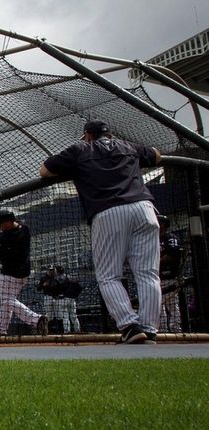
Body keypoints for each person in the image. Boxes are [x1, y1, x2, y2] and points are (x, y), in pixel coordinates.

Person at [40, 120, 161, 344]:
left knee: (108, 275)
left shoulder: (80, 149)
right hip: (144, 208)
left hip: (108, 211)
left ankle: (130, 326)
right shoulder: (127, 146)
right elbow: (156, 155)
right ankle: (149, 327)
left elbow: (45, 170)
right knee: (148, 273)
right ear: (109, 134)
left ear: (87, 135)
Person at [0, 209, 48, 336]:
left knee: (7, 301)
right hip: (24, 273)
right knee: (8, 301)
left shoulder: (5, 237)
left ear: (9, 222)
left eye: (1, 224)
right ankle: (0, 330)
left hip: (9, 273)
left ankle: (36, 319)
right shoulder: (24, 229)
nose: (0, 226)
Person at [157, 215, 182, 333]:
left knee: (172, 305)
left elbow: (173, 254)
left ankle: (176, 330)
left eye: (161, 223)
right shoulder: (151, 239)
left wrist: (155, 262)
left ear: (165, 225)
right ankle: (162, 331)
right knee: (158, 306)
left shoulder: (170, 238)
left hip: (169, 277)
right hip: (156, 278)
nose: (159, 225)